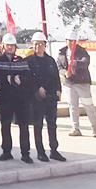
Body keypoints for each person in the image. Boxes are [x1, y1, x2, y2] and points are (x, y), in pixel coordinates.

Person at [0, 33, 34, 163]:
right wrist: (8, 79)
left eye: (12, 45)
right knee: (5, 125)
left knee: (23, 126)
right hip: (5, 98)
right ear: (4, 46)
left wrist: (20, 79)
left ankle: (25, 153)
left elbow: (28, 77)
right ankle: (6, 151)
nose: (10, 47)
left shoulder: (21, 60)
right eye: (8, 45)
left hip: (21, 99)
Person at [27, 32, 66, 162]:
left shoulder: (50, 60)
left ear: (45, 45)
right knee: (38, 125)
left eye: (41, 44)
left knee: (52, 124)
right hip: (37, 99)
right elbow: (27, 79)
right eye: (35, 44)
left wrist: (59, 90)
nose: (38, 46)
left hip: (51, 97)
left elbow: (56, 77)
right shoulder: (29, 61)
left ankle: (54, 150)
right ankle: (40, 152)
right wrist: (37, 88)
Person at [57, 32, 96, 137]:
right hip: (69, 83)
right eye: (69, 41)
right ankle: (75, 128)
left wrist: (75, 63)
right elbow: (59, 66)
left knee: (88, 105)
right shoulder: (62, 52)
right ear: (66, 41)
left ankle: (95, 128)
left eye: (73, 41)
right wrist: (64, 73)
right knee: (72, 106)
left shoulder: (82, 51)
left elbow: (85, 62)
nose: (71, 43)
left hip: (82, 82)